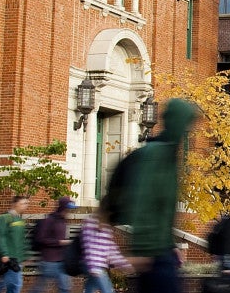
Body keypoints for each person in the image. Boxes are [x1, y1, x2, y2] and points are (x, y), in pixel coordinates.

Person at [121, 98, 198, 293]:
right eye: (186, 122)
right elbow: (144, 200)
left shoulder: (170, 154)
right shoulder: (157, 154)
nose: (188, 129)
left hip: (162, 252)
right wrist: (142, 250)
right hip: (153, 255)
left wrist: (171, 245)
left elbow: (164, 211)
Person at [82, 208, 133, 293]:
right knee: (107, 290)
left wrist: (125, 264)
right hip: (92, 266)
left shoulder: (106, 228)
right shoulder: (90, 224)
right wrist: (94, 268)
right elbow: (88, 246)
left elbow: (112, 249)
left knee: (89, 289)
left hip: (97, 267)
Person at [34, 197, 77, 293]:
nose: (70, 212)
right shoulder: (50, 220)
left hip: (61, 261)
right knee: (39, 289)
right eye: (68, 209)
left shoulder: (63, 221)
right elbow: (41, 239)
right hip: (49, 261)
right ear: (62, 208)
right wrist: (59, 242)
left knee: (65, 288)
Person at [0, 195, 32, 293]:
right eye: (23, 203)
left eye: (26, 203)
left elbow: (22, 240)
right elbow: (0, 236)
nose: (25, 206)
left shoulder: (20, 221)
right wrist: (4, 253)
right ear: (15, 204)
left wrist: (26, 255)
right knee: (15, 285)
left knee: (3, 284)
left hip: (17, 259)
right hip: (9, 259)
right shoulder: (4, 218)